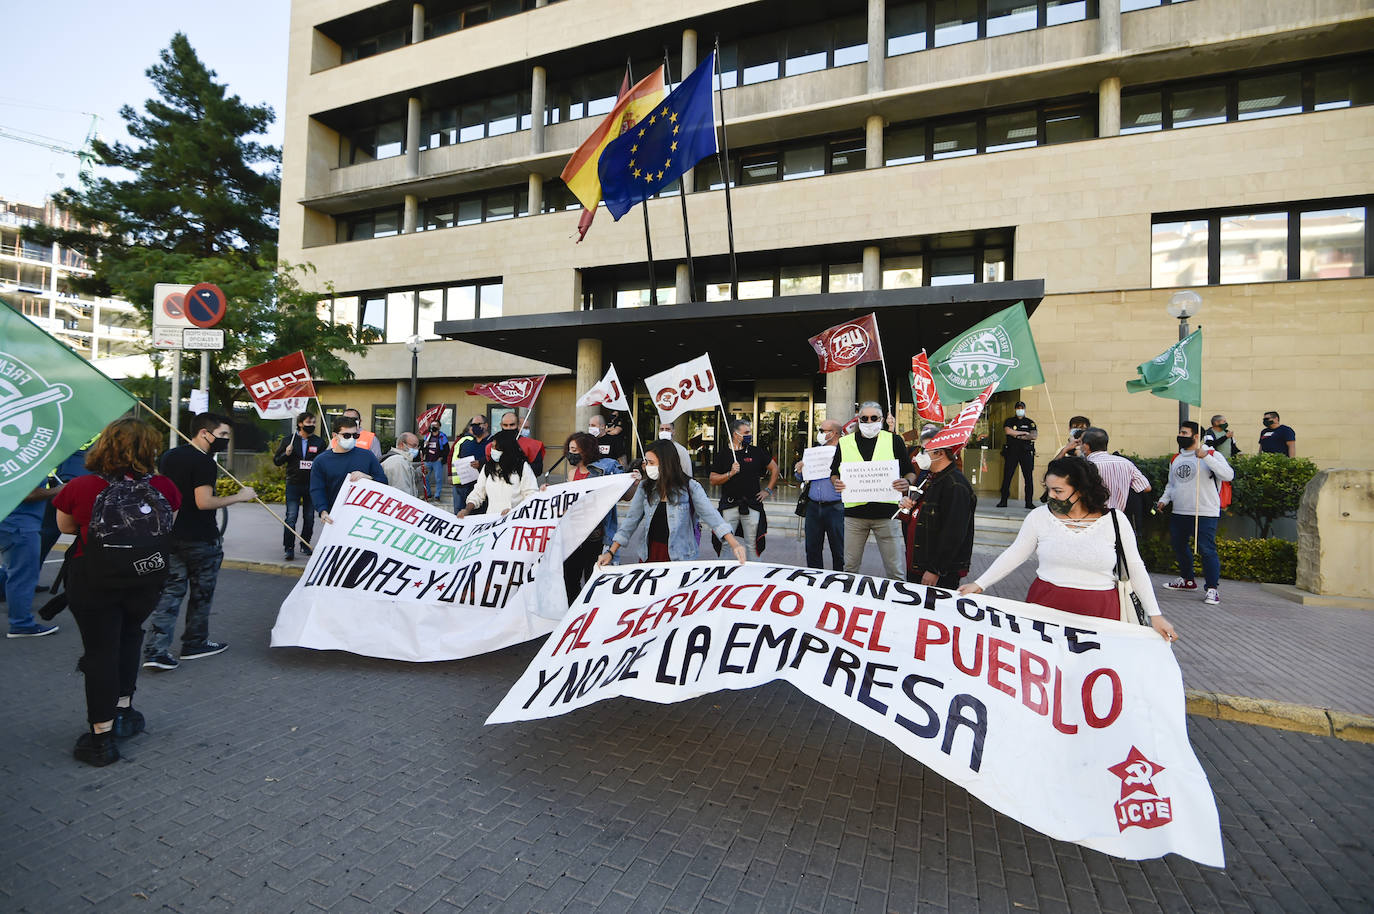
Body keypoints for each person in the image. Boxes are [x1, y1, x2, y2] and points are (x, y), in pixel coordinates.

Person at [53, 417, 182, 766]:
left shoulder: (80, 486)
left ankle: (101, 738)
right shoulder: (164, 487)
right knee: (129, 638)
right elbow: (167, 524)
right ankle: (125, 711)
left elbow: (66, 527)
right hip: (145, 579)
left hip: (93, 578)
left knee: (99, 652)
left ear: (104, 445)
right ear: (149, 449)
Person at [959, 457, 1177, 642]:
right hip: (1045, 605)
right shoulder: (1039, 517)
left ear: (1081, 490)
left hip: (1100, 611)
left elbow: (1135, 567)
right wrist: (980, 584)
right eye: (1048, 489)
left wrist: (1155, 614)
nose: (1050, 496)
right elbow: (1015, 553)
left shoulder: (1115, 520)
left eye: (1058, 490)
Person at [142, 413, 257, 672]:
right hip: (201, 538)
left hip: (170, 535)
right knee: (201, 594)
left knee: (170, 593)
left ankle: (156, 649)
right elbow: (203, 502)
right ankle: (194, 643)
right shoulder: (204, 462)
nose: (226, 440)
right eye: (223, 435)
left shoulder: (170, 456)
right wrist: (239, 497)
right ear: (205, 433)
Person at [602, 440, 745, 565]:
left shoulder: (691, 487)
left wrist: (735, 544)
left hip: (680, 558)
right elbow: (630, 522)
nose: (647, 466)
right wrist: (611, 552)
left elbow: (712, 517)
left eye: (651, 463)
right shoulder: (645, 488)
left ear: (665, 463)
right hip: (649, 556)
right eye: (646, 462)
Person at [829, 403, 909, 579]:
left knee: (895, 570)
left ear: (881, 420)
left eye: (874, 418)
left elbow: (909, 471)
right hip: (854, 515)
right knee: (850, 568)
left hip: (887, 515)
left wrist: (907, 481)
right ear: (858, 420)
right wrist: (837, 482)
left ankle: (896, 604)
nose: (869, 421)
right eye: (864, 418)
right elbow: (834, 473)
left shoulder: (894, 440)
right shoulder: (845, 442)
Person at [1158, 421, 1234, 605]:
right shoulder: (1176, 458)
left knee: (1207, 550)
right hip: (1180, 511)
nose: (1181, 435)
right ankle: (1187, 579)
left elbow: (1228, 475)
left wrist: (1206, 457)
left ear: (1196, 436)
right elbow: (1172, 483)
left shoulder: (1212, 454)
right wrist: (1164, 499)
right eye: (1180, 432)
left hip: (1205, 512)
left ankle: (1212, 589)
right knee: (1179, 546)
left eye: (1185, 433)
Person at [900, 439, 975, 588]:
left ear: (939, 453)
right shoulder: (932, 478)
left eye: (924, 451)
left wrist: (935, 570)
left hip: (937, 572)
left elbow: (953, 533)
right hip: (919, 564)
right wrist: (906, 506)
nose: (919, 456)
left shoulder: (956, 485)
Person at [561, 431, 626, 600]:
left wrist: (631, 480)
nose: (571, 454)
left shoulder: (602, 471)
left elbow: (626, 495)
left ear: (586, 451)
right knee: (570, 579)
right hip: (573, 536)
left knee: (593, 579)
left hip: (595, 535)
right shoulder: (571, 474)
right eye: (570, 449)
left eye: (575, 450)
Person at [710, 418, 779, 561]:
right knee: (725, 544)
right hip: (729, 506)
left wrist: (768, 490)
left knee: (752, 546)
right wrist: (730, 474)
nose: (749, 435)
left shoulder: (756, 452)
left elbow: (774, 468)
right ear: (735, 434)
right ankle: (724, 576)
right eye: (746, 432)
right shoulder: (723, 454)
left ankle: (753, 578)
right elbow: (713, 479)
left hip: (752, 505)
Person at [2, 483, 62, 638]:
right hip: (20, 523)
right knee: (22, 577)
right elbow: (27, 493)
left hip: (10, 521)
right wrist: (57, 490)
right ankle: (21, 624)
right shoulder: (24, 462)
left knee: (14, 572)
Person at [311, 415, 389, 526]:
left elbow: (383, 481)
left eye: (355, 435)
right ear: (335, 436)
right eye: (347, 435)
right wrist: (323, 511)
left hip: (365, 517)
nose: (352, 438)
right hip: (335, 517)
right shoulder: (321, 460)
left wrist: (368, 477)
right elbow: (317, 489)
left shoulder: (367, 456)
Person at [273, 411, 325, 561]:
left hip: (312, 485)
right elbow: (277, 461)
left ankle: (305, 544)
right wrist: (286, 454)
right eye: (309, 423)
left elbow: (323, 462)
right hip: (293, 484)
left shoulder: (319, 442)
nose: (312, 426)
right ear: (300, 424)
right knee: (291, 517)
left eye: (314, 423)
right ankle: (289, 548)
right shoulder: (289, 440)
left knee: (309, 517)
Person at [794, 418, 843, 570]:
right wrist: (800, 470)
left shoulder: (846, 451)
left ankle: (842, 579)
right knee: (812, 548)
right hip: (813, 506)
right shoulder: (814, 451)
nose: (819, 434)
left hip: (836, 507)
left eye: (823, 431)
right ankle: (814, 578)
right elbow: (801, 477)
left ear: (834, 433)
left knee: (840, 549)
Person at [459, 430, 538, 517]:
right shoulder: (488, 467)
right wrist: (467, 510)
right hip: (492, 522)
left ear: (506, 448)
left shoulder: (522, 467)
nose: (493, 450)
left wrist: (515, 511)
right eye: (492, 447)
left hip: (514, 520)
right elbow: (478, 493)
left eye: (496, 447)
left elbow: (531, 495)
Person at [1080, 427, 1150, 512]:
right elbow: (1146, 487)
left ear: (1086, 446)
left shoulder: (1085, 466)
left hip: (1093, 517)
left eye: (1080, 443)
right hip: (1118, 518)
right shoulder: (1126, 463)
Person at [997, 400, 1038, 508]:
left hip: (1025, 452)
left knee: (1028, 478)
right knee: (1007, 477)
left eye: (1022, 408)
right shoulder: (1010, 421)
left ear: (1024, 409)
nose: (1020, 410)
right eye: (1018, 408)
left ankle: (1029, 502)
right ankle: (1003, 500)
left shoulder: (1030, 422)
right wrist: (1023, 433)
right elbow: (1008, 431)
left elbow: (1033, 436)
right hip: (1012, 452)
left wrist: (1017, 435)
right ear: (1015, 409)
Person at [448, 415, 489, 512]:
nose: (475, 427)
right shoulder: (467, 443)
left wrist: (481, 462)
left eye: (478, 424)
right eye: (473, 425)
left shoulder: (492, 442)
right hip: (464, 485)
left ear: (486, 425)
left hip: (485, 489)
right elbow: (452, 457)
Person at [488, 412, 546, 477]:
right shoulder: (492, 446)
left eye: (512, 425)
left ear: (518, 425)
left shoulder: (533, 445)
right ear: (501, 425)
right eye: (505, 425)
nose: (508, 428)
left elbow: (537, 470)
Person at [382, 432, 423, 498]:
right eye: (413, 446)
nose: (416, 449)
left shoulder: (402, 460)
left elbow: (408, 481)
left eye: (417, 446)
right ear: (401, 445)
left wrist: (418, 473)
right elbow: (401, 492)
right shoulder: (398, 462)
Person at [419, 421, 450, 501]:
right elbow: (423, 447)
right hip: (428, 460)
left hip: (437, 461)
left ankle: (437, 495)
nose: (433, 427)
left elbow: (446, 449)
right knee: (426, 478)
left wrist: (442, 457)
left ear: (439, 427)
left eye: (435, 425)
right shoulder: (428, 436)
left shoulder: (442, 436)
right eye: (432, 425)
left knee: (438, 478)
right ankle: (428, 494)